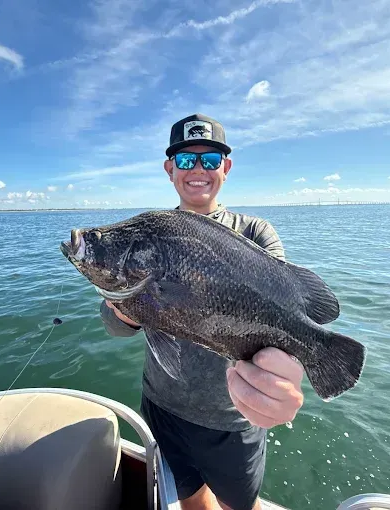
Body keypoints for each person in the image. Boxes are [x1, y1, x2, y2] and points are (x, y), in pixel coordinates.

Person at [101, 114, 305, 510]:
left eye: (210, 160)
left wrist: (282, 379)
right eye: (185, 160)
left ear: (225, 169)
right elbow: (114, 326)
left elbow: (286, 309)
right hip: (162, 406)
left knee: (239, 506)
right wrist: (130, 305)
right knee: (192, 501)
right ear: (169, 169)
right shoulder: (149, 231)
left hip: (231, 418)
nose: (198, 170)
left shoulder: (255, 233)